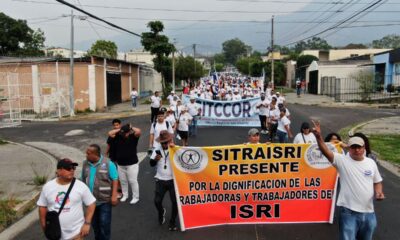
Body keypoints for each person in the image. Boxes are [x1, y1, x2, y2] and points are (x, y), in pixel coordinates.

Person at [312, 120, 385, 240]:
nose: (356, 150)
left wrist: (378, 192)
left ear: (363, 147)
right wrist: (319, 137)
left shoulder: (371, 163)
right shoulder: (342, 160)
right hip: (349, 213)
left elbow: (377, 181)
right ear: (349, 148)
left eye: (359, 147)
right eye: (353, 147)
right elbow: (326, 151)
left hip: (369, 213)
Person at [37, 159, 96, 240]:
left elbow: (91, 204)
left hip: (76, 234)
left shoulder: (81, 186)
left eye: (73, 168)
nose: (72, 170)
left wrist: (87, 223)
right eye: (68, 168)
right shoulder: (48, 187)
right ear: (59, 170)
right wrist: (44, 226)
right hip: (54, 235)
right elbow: (42, 207)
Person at [82, 144, 119, 240]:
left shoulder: (108, 163)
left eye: (88, 153)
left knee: (104, 224)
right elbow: (83, 179)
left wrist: (114, 195)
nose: (86, 155)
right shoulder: (85, 163)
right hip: (90, 202)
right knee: (95, 225)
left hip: (104, 201)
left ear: (95, 154)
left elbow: (115, 179)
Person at [149, 130, 179, 231]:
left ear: (170, 140)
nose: (165, 144)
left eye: (166, 142)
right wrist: (155, 159)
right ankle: (161, 212)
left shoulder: (175, 149)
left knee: (175, 202)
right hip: (160, 179)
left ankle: (172, 222)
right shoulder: (157, 150)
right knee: (157, 201)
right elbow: (151, 164)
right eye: (163, 142)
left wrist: (175, 149)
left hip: (173, 180)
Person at [108, 124, 142, 204]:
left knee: (132, 181)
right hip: (120, 164)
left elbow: (139, 131)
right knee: (123, 181)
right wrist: (120, 129)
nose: (124, 134)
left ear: (129, 132)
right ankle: (125, 195)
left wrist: (131, 127)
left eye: (125, 133)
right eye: (123, 133)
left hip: (132, 164)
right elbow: (110, 133)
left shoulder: (133, 137)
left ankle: (135, 197)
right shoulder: (118, 136)